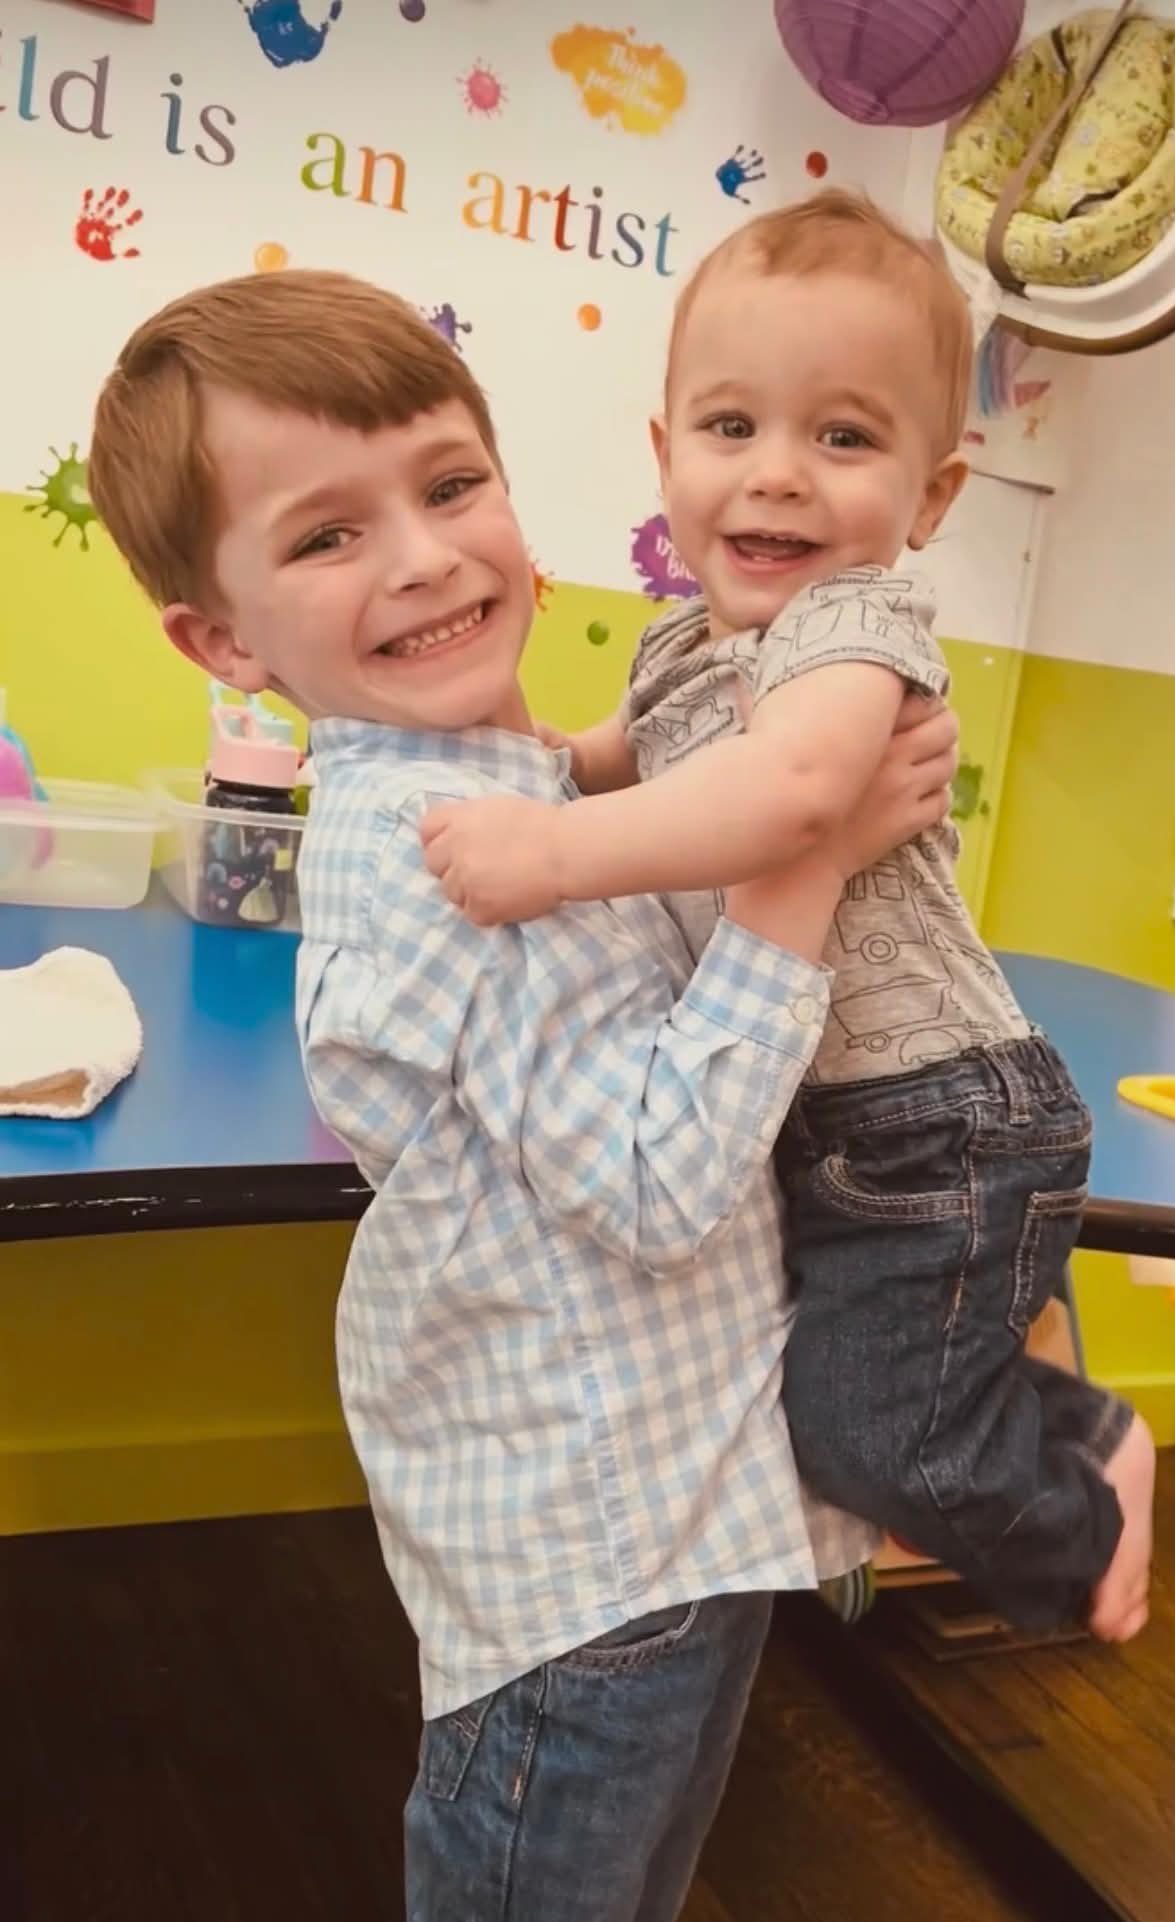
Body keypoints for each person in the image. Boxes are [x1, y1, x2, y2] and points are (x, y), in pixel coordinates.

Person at [86, 265, 960, 1922]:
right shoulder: (434, 868)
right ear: (221, 637)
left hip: (679, 1511)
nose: (423, 557)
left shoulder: (495, 781)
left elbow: (565, 781)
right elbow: (654, 1180)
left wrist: (679, 752)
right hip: (590, 1565)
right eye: (326, 536)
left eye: (448, 483)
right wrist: (806, 853)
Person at [420, 190, 1156, 1644]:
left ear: (928, 496)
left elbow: (792, 793)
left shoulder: (852, 627)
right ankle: (1058, 1412)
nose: (776, 480)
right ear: (664, 451)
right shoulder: (687, 639)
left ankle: (1086, 1518)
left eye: (842, 437)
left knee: (870, 1440)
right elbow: (604, 753)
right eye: (732, 427)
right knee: (836, 1402)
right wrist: (494, 766)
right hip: (835, 1123)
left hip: (938, 1120)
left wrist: (551, 852)